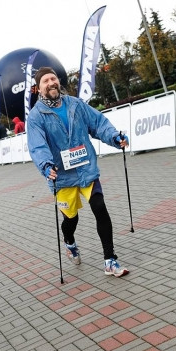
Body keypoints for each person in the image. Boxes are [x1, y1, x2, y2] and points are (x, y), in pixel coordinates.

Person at [26, 66, 130, 277]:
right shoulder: (36, 116)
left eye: (53, 78)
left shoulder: (75, 104)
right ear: (38, 88)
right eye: (45, 81)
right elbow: (37, 145)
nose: (51, 83)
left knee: (100, 208)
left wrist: (114, 137)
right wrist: (46, 165)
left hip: (85, 168)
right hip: (62, 176)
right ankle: (70, 241)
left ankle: (110, 260)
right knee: (71, 220)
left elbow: (98, 124)